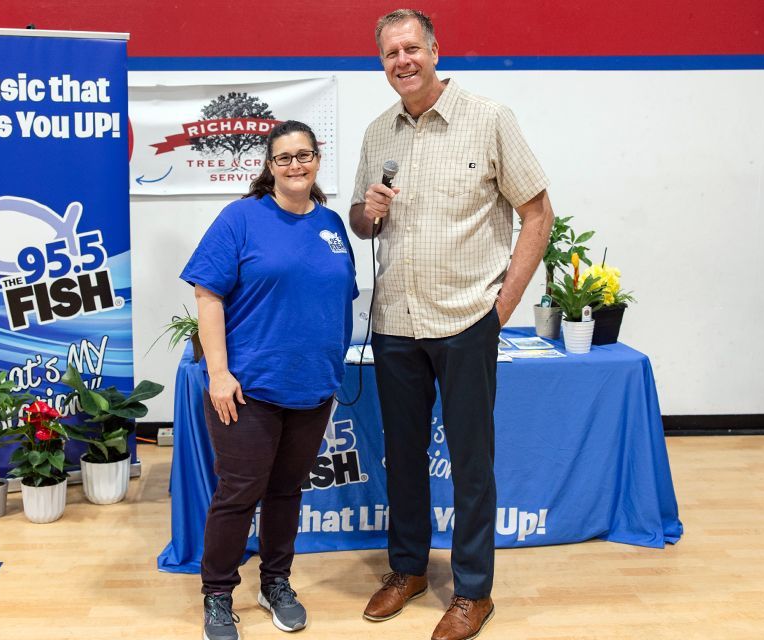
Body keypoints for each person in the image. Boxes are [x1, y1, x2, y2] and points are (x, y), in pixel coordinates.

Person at [349, 9, 554, 640]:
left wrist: (504, 307)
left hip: (468, 319)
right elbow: (360, 224)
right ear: (381, 62)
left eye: (412, 48)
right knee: (403, 456)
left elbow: (538, 213)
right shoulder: (377, 133)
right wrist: (368, 212)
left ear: (436, 50)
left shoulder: (489, 119)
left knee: (470, 461)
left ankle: (473, 591)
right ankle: (408, 569)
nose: (402, 61)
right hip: (394, 322)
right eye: (390, 54)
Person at [181, 120, 357, 640]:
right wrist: (218, 373)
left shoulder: (330, 224)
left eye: (305, 155)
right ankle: (217, 594)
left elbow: (335, 297)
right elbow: (207, 296)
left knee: (286, 492)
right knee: (239, 493)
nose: (296, 165)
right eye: (284, 158)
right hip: (249, 389)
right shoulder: (240, 218)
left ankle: (275, 582)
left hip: (312, 386)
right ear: (269, 166)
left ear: (317, 160)